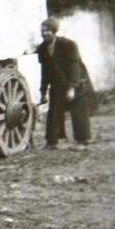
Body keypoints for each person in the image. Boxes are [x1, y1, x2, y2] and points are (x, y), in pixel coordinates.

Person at [36, 17, 94, 149]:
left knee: (78, 112)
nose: (44, 33)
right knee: (54, 112)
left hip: (76, 80)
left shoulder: (68, 45)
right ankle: (52, 142)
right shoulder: (42, 48)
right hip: (57, 83)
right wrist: (43, 91)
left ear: (54, 31)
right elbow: (45, 72)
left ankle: (82, 141)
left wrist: (72, 88)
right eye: (42, 31)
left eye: (48, 31)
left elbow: (74, 67)